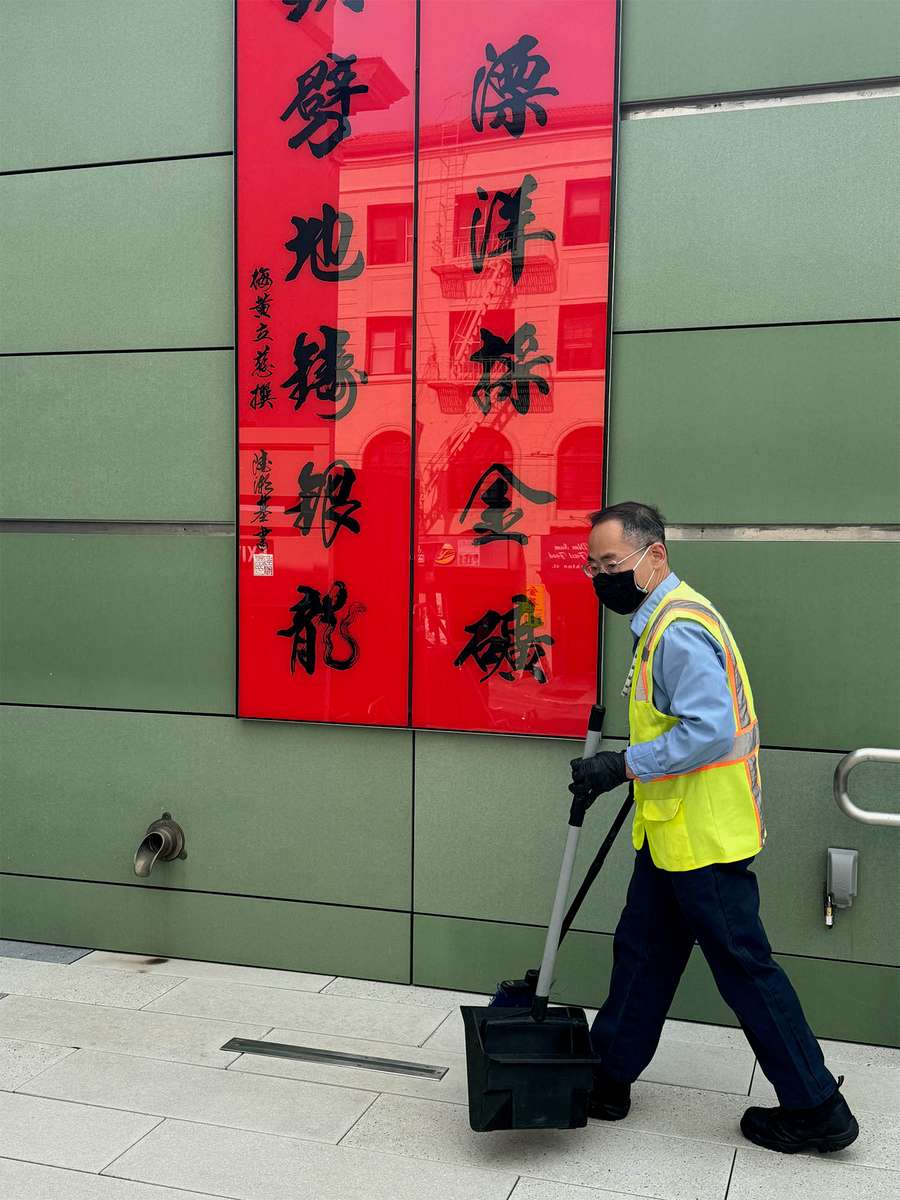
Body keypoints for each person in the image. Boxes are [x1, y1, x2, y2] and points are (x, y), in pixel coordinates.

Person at [569, 501, 859, 1154]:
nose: (601, 577)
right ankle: (608, 1077)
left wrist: (625, 764)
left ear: (655, 556)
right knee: (642, 955)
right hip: (673, 835)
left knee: (744, 970)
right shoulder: (667, 619)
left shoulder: (677, 629)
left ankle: (817, 1107)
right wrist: (630, 771)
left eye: (611, 564)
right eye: (595, 566)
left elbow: (711, 730)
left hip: (703, 841)